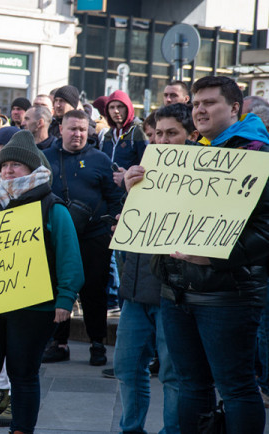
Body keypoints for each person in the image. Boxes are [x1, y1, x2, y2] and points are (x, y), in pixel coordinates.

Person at [126, 76, 269, 434]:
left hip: (227, 296)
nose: (199, 110)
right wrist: (138, 193)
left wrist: (215, 257)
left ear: (235, 108)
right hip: (175, 291)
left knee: (235, 389)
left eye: (209, 103)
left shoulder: (256, 154)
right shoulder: (190, 151)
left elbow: (266, 230)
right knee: (191, 386)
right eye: (196, 104)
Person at [0, 130, 84, 434]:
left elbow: (69, 255)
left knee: (23, 373)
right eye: (4, 166)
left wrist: (65, 299)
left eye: (15, 165)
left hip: (34, 305)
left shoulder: (51, 206)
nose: (6, 171)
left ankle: (21, 430)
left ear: (32, 168)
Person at [105, 103, 196, 434]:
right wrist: (129, 199)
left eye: (171, 133)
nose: (162, 141)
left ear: (191, 136)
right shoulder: (141, 174)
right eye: (156, 134)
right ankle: (131, 429)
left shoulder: (201, 177)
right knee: (127, 368)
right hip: (135, 290)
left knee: (172, 374)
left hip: (173, 292)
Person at [42, 110, 123, 366]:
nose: (77, 134)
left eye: (82, 129)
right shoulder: (45, 159)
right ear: (61, 130)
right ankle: (58, 342)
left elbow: (114, 198)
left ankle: (97, 344)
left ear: (89, 131)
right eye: (72, 128)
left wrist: (110, 225)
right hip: (56, 238)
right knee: (57, 288)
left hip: (94, 237)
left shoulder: (99, 159)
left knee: (94, 292)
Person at [100, 90, 148, 187]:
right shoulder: (108, 135)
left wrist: (128, 176)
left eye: (120, 106)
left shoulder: (138, 131)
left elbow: (146, 166)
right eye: (111, 107)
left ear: (127, 108)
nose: (116, 111)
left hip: (130, 191)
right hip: (109, 193)